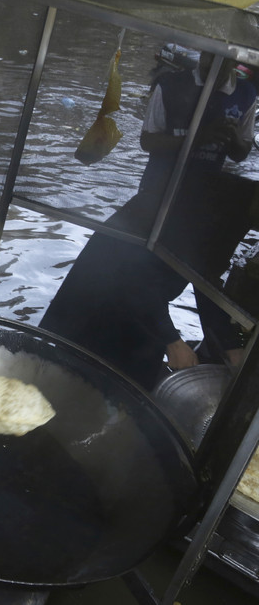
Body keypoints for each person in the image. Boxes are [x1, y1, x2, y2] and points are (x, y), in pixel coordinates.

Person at [40, 51, 256, 388]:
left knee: (121, 381)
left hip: (132, 312)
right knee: (70, 375)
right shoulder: (183, 211)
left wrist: (229, 345)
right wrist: (172, 340)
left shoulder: (220, 212)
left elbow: (203, 279)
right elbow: (134, 281)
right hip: (95, 300)